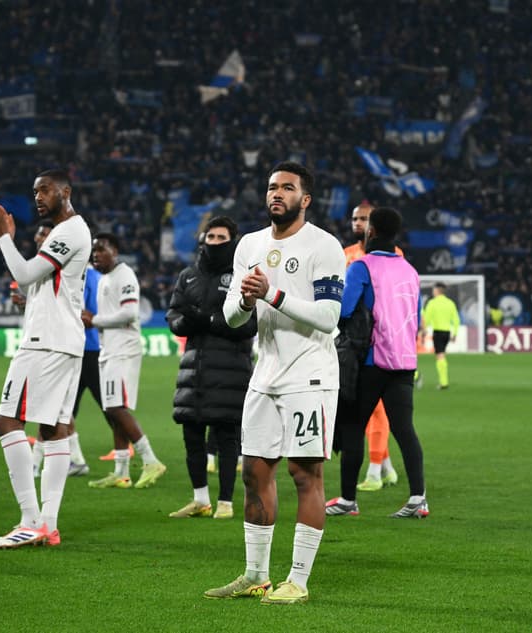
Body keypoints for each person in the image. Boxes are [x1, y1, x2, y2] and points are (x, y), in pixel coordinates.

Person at [204, 161, 345, 605]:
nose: (276, 194)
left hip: (310, 374)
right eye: (271, 187)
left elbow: (329, 316)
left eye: (287, 187)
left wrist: (272, 294)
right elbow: (230, 316)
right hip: (264, 374)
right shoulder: (249, 244)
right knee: (254, 471)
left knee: (305, 474)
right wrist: (246, 299)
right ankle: (255, 575)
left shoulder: (324, 246)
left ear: (305, 199)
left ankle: (297, 581)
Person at [0, 169, 91, 548]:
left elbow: (25, 273)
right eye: (34, 191)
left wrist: (3, 237)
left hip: (45, 343)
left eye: (45, 189)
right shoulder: (70, 232)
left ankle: (30, 520)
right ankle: (49, 524)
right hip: (63, 340)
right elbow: (49, 284)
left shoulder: (70, 231)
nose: (38, 196)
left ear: (65, 191)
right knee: (52, 430)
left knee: (6, 421)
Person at [326, 207, 428, 519]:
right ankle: (418, 499)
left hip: (370, 360)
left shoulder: (362, 266)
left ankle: (347, 499)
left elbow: (343, 311)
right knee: (404, 429)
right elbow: (417, 317)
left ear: (371, 232)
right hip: (404, 361)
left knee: (354, 425)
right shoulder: (410, 271)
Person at [167, 216, 256, 520]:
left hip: (231, 368)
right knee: (192, 435)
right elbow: (174, 316)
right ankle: (200, 500)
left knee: (227, 437)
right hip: (195, 369)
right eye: (211, 237)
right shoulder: (188, 276)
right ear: (203, 240)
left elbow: (250, 325)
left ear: (233, 240)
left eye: (222, 237)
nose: (215, 242)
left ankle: (226, 503)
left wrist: (208, 321)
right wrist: (184, 322)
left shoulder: (243, 275)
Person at [83, 232, 167, 490]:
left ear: (115, 250)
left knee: (117, 408)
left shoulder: (125, 275)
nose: (96, 254)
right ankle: (121, 472)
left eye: (102, 249)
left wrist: (94, 320)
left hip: (123, 351)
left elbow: (130, 312)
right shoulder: (105, 278)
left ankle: (150, 459)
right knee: (112, 408)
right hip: (109, 350)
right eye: (94, 250)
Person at [19, 220, 93, 478]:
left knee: (51, 412)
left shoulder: (75, 267)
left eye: (44, 234)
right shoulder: (41, 269)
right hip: (56, 342)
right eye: (38, 234)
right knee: (57, 410)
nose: (39, 238)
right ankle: (73, 460)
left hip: (69, 345)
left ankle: (36, 464)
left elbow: (81, 306)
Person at [343, 201, 399, 492]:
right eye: (355, 218)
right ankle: (387, 468)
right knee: (364, 407)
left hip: (382, 343)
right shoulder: (346, 255)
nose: (358, 223)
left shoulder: (392, 254)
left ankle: (375, 471)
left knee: (376, 410)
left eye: (364, 218)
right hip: (355, 343)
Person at [421, 283, 460, 390]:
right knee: (441, 354)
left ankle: (444, 382)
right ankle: (444, 381)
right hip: (447, 332)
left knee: (440, 356)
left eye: (434, 290)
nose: (433, 292)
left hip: (438, 332)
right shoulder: (450, 303)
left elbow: (426, 318)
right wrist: (455, 333)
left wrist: (423, 331)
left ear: (437, 291)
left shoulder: (432, 303)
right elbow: (456, 319)